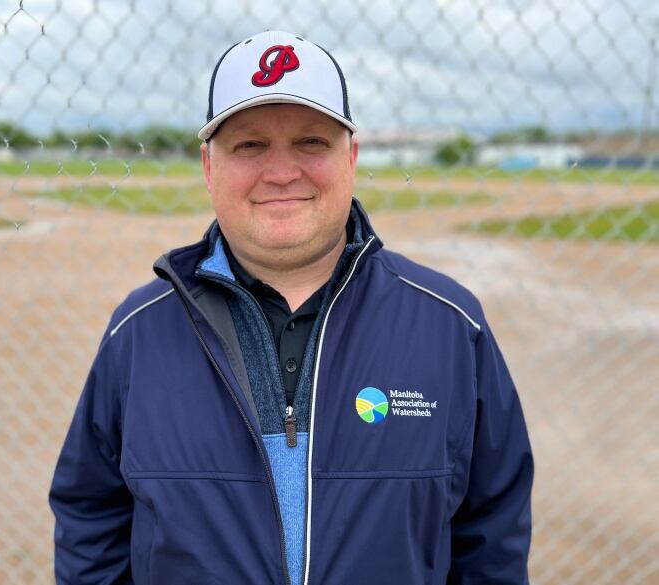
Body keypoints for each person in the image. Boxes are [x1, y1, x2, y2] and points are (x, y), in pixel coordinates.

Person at [49, 30, 533, 585]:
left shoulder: (450, 325)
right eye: (250, 145)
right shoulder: (138, 331)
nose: (282, 172)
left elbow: (491, 534)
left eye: (311, 143)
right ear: (209, 166)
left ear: (351, 157)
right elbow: (91, 516)